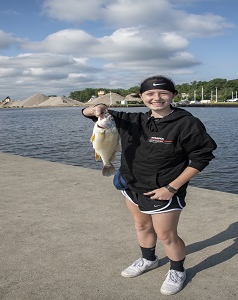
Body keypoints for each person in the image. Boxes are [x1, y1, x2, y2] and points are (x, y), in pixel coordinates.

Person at [82, 75, 217, 295]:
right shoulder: (131, 121)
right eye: (150, 94)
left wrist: (171, 188)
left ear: (173, 95)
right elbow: (86, 112)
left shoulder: (187, 123)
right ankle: (149, 259)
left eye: (163, 93)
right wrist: (96, 108)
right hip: (131, 185)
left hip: (164, 190)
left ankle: (177, 270)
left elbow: (202, 158)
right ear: (142, 96)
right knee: (142, 226)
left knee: (166, 235)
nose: (156, 98)